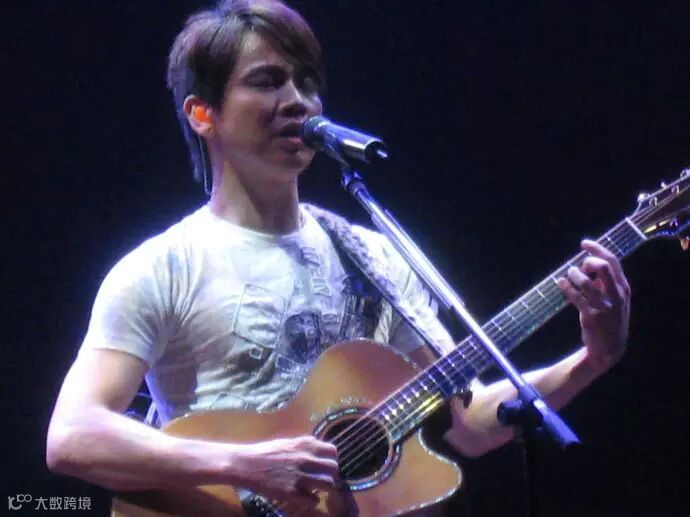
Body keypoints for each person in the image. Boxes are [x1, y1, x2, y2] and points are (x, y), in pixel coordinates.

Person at [46, 0, 631, 514]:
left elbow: (470, 420)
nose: (296, 101)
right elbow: (73, 435)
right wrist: (244, 465)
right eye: (267, 81)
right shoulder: (163, 267)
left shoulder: (374, 256)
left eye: (306, 82)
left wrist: (594, 356)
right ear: (204, 114)